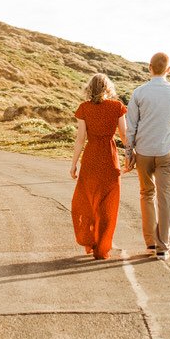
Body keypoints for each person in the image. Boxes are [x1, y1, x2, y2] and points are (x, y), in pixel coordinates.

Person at [125, 52, 170, 260]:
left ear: (149, 68)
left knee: (146, 195)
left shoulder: (139, 92)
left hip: (143, 152)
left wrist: (129, 152)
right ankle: (163, 247)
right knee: (165, 199)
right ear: (168, 70)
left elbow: (131, 126)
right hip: (167, 153)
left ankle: (150, 244)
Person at [69, 73, 130, 260]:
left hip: (91, 158)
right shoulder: (117, 107)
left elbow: (80, 140)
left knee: (86, 200)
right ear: (108, 88)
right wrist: (130, 156)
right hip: (110, 159)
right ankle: (103, 245)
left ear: (89, 88)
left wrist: (73, 165)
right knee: (108, 203)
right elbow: (125, 136)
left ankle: (91, 239)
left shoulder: (84, 108)